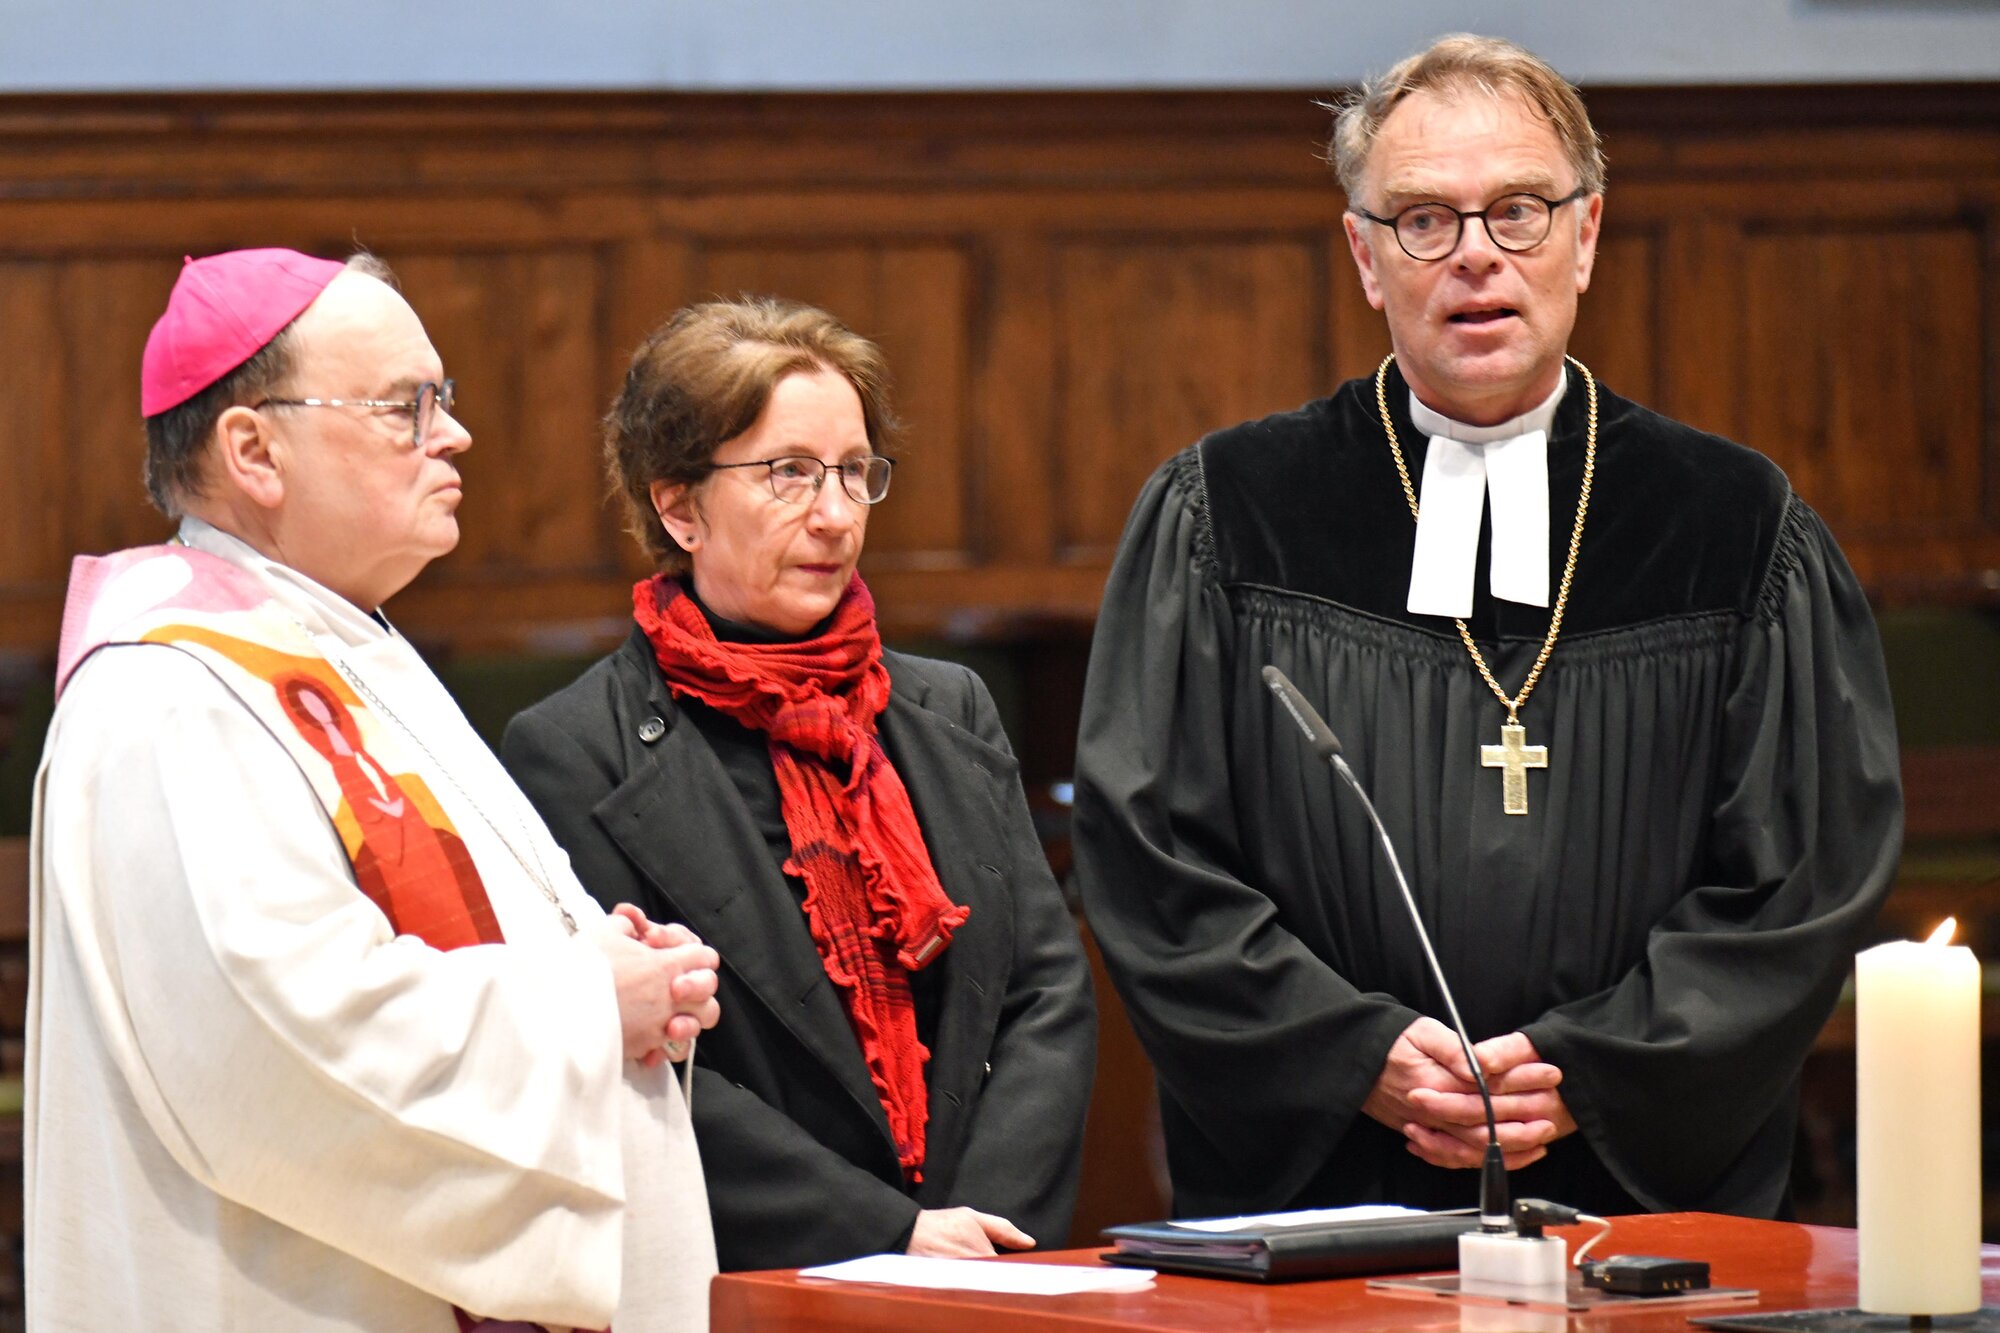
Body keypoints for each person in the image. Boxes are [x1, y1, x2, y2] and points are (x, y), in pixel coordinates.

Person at [1072, 35, 1901, 1222]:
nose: (1474, 256)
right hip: (1331, 1195)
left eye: (1516, 210)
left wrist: (1593, 1066)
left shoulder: (1732, 523)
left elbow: (1804, 870)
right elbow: (1147, 849)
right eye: (1422, 219)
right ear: (1364, 254)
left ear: (1587, 234)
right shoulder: (1230, 513)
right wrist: (1352, 1056)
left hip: (1638, 1202)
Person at [27, 247, 721, 1331]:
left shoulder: (343, 648)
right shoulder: (171, 697)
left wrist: (606, 956)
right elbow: (278, 1041)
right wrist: (585, 1000)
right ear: (254, 449)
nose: (453, 435)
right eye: (407, 405)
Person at [502, 296, 1096, 1271]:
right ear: (678, 505)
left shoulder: (948, 708)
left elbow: (1042, 990)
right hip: (761, 1275)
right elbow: (645, 1061)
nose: (833, 514)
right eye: (787, 474)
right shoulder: (575, 750)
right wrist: (886, 1236)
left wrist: (980, 1227)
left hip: (985, 1272)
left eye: (853, 473)